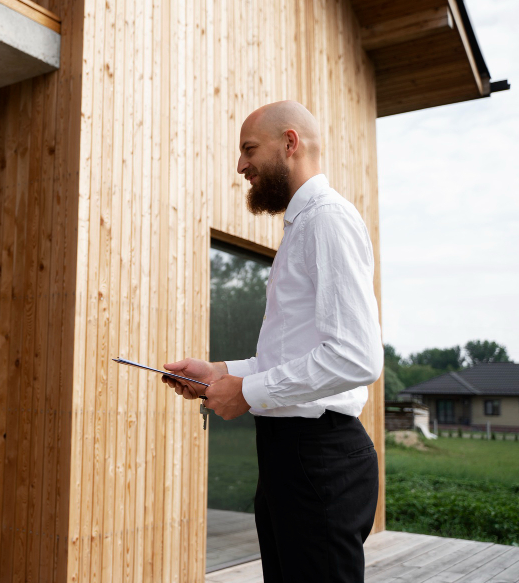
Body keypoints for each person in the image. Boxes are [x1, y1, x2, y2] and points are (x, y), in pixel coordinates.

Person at [162, 101, 383, 582]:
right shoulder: (302, 226)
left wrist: (246, 392)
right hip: (292, 457)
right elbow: (293, 355)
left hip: (318, 459)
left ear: (289, 143)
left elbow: (356, 356)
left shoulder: (327, 219)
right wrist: (222, 372)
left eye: (248, 149)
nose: (240, 165)